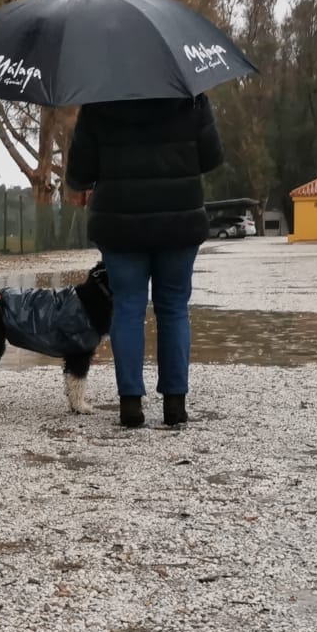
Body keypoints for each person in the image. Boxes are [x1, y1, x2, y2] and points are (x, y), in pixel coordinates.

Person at [64, 92, 222, 429]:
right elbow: (211, 157)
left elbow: (79, 171)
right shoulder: (191, 97)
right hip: (180, 220)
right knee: (175, 308)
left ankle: (131, 405)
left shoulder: (98, 100)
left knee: (128, 308)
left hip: (119, 223)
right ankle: (175, 405)